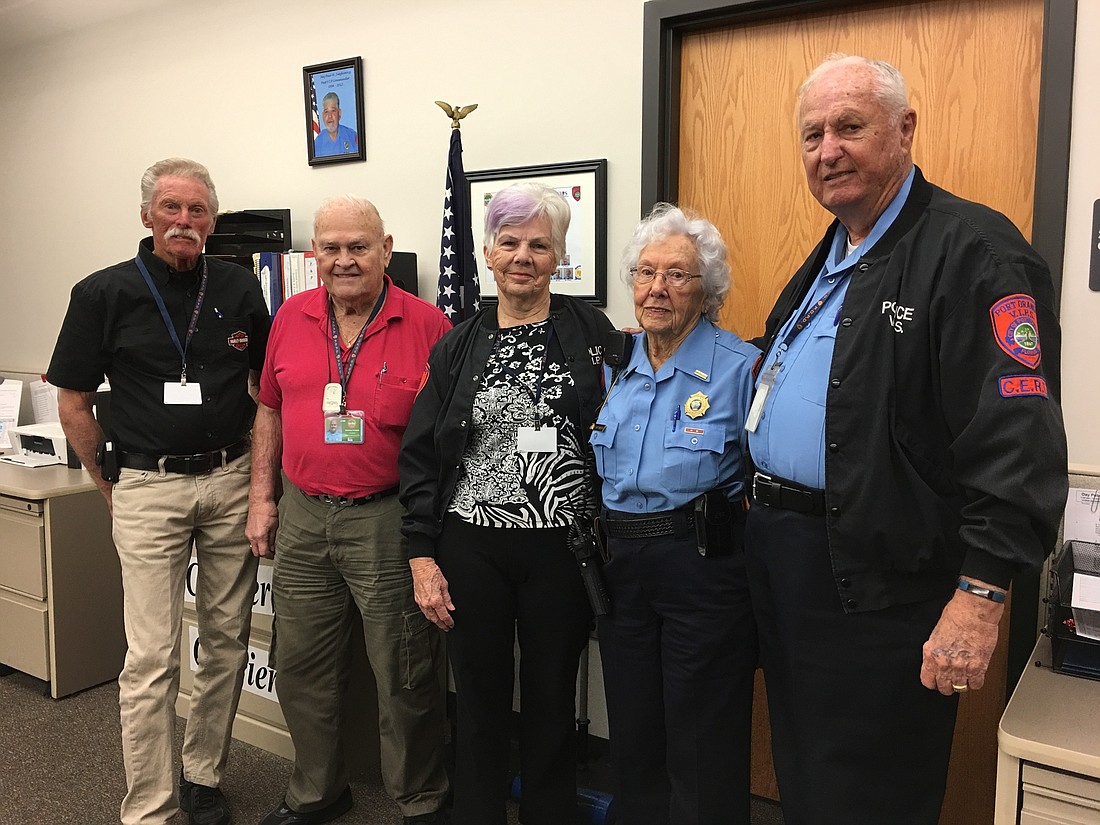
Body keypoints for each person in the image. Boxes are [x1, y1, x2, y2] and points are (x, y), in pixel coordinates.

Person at [744, 54, 1068, 825]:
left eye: (850, 127)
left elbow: (1018, 439)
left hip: (880, 579)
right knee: (812, 777)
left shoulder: (976, 253)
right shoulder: (832, 251)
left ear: (904, 129)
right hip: (792, 565)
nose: (829, 150)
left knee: (872, 790)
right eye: (813, 133)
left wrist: (981, 594)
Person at [47, 157, 271, 825]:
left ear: (212, 220)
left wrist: (260, 485)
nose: (184, 220)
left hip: (230, 478)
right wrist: (109, 486)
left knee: (228, 637)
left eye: (197, 210)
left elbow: (268, 390)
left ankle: (203, 773)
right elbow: (74, 403)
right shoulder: (101, 293)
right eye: (171, 207)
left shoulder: (238, 284)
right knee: (150, 657)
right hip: (147, 483)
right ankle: (149, 806)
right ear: (147, 215)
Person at [399, 182, 614, 825]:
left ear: (559, 258)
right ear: (489, 255)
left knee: (551, 694)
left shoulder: (591, 332)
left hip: (562, 546)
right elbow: (419, 455)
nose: (524, 256)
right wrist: (420, 555)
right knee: (481, 694)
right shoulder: (457, 345)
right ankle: (479, 813)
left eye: (540, 245)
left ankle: (548, 813)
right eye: (511, 243)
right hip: (473, 545)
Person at [246, 195, 451, 825]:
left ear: (385, 250)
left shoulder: (428, 326)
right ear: (314, 254)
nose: (343, 260)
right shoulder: (290, 316)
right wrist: (261, 497)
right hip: (304, 513)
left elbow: (449, 438)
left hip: (387, 519)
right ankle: (317, 791)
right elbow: (270, 409)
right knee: (301, 665)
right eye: (329, 248)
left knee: (404, 671)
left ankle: (419, 800)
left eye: (357, 246)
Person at [588, 204, 759, 825]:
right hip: (621, 569)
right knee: (632, 728)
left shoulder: (742, 370)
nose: (657, 288)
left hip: (701, 567)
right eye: (646, 273)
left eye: (678, 275)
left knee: (701, 733)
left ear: (706, 289)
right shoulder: (616, 368)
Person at [314, 92, 358, 157]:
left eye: (333, 111)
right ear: (323, 116)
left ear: (339, 113)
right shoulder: (317, 143)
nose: (329, 116)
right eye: (326, 112)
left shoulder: (352, 136)